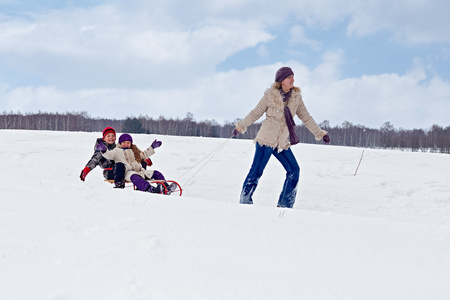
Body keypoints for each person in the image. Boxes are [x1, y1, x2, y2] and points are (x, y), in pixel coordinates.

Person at [233, 66, 331, 208]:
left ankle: (285, 204)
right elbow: (256, 113)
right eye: (289, 77)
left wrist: (320, 133)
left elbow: (307, 118)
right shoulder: (270, 95)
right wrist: (240, 127)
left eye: (293, 77)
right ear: (281, 80)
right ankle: (245, 201)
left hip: (281, 143)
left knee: (294, 170)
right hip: (266, 140)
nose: (293, 79)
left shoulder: (296, 98)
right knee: (256, 172)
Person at [99, 133, 176, 194]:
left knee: (156, 173)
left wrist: (152, 147)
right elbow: (109, 155)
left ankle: (166, 187)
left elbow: (144, 154)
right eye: (124, 142)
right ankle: (150, 189)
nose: (126, 144)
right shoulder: (116, 151)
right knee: (135, 178)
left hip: (140, 171)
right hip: (128, 173)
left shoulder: (134, 151)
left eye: (128, 142)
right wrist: (104, 150)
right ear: (120, 143)